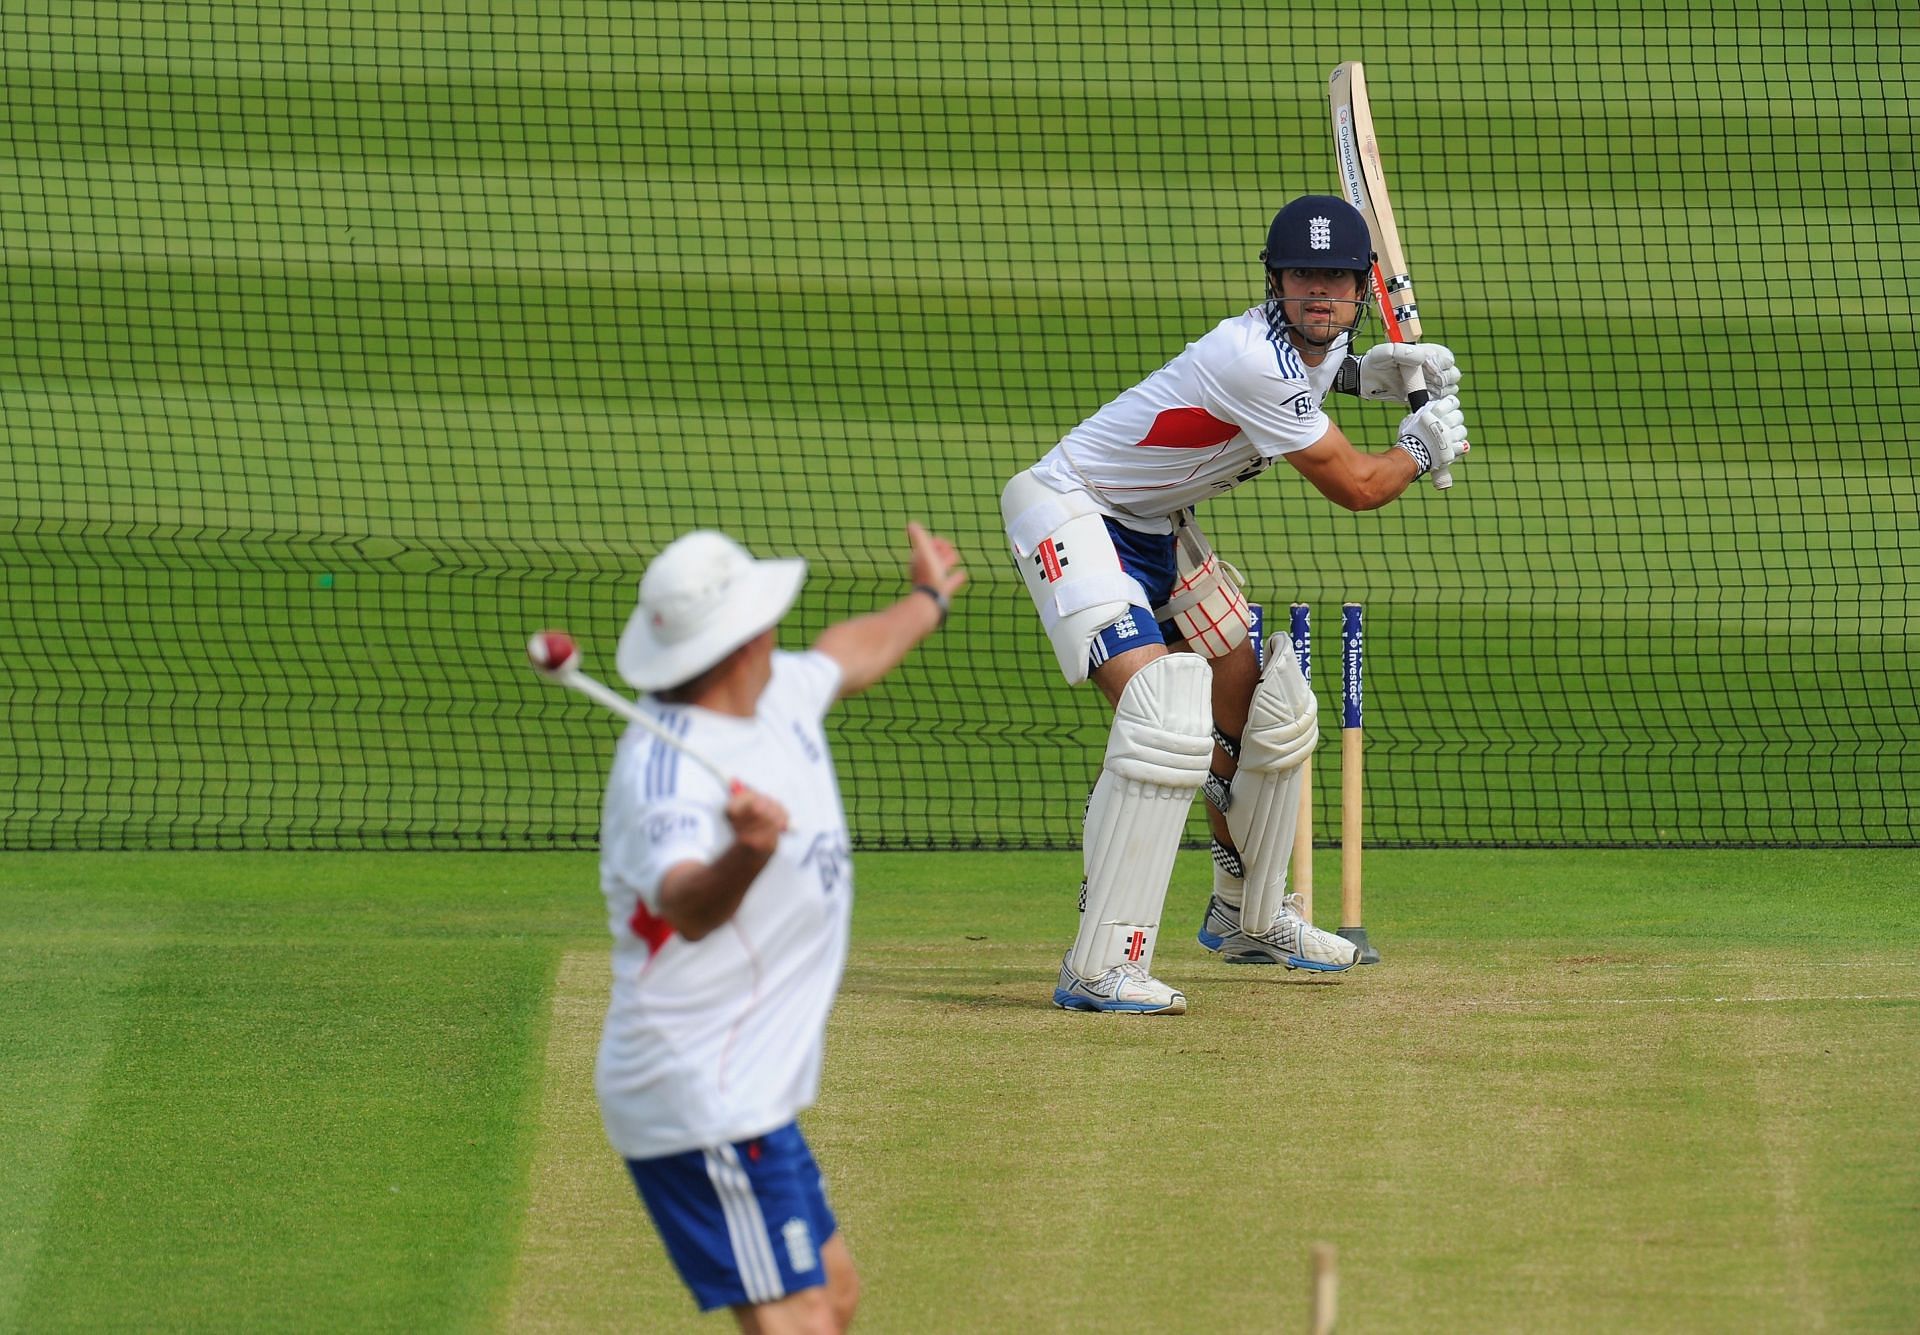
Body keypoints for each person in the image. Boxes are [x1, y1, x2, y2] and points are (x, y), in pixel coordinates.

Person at [999, 195, 1471, 1015]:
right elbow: (1357, 487)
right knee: (1162, 721)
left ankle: (1247, 915)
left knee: (1264, 711)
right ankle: (1099, 961)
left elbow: (1322, 372)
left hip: (1154, 525)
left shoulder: (1317, 344)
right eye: (1301, 278)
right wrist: (1418, 445)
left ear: (1361, 289)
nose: (1318, 294)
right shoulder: (1250, 356)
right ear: (1274, 284)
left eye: (1334, 279)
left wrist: (1367, 374)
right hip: (1071, 509)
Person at [595, 522, 965, 1331]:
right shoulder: (665, 771)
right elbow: (685, 906)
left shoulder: (777, 691)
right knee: (804, 1320)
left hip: (750, 1086)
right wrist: (749, 853)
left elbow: (851, 652)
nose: (777, 631)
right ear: (740, 643)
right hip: (700, 1087)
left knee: (831, 1294)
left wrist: (927, 598)